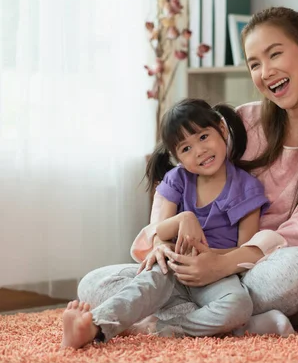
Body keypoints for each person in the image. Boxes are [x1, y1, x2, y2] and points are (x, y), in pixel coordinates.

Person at [74, 6, 298, 342]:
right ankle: (243, 322)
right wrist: (161, 240)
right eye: (255, 64)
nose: (266, 72)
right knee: (93, 285)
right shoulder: (243, 121)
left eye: (275, 54)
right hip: (196, 266)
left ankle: (178, 318)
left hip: (264, 270)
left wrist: (223, 264)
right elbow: (179, 176)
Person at [62, 99, 270, 348]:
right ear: (177, 157)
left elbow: (243, 250)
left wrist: (209, 259)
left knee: (239, 305)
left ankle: (161, 327)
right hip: (171, 269)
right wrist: (185, 219)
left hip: (216, 275)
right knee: (97, 282)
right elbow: (158, 232)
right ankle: (94, 327)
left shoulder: (246, 187)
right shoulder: (178, 180)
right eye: (186, 148)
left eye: (203, 137)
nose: (199, 151)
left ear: (222, 130)